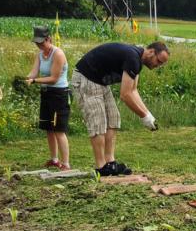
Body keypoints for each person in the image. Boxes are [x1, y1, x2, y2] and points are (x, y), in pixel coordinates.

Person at [70, 40, 169, 176]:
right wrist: (143, 116)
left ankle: (110, 163)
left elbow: (133, 90)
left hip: (100, 82)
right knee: (98, 121)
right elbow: (125, 95)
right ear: (151, 52)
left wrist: (147, 113)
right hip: (86, 78)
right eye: (159, 61)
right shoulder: (133, 57)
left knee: (113, 118)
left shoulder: (137, 61)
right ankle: (101, 167)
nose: (158, 65)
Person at [25, 25, 71, 170]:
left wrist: (35, 81)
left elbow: (54, 78)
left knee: (59, 130)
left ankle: (66, 164)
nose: (39, 45)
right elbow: (34, 72)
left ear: (48, 39)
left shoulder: (58, 54)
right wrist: (26, 78)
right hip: (46, 93)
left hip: (59, 94)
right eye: (37, 43)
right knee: (49, 129)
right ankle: (54, 159)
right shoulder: (39, 55)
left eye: (41, 42)